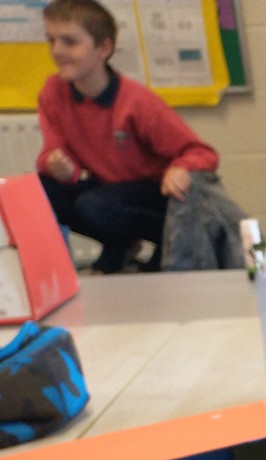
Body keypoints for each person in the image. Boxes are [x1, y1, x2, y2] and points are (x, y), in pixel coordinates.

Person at [33, 0, 221, 275]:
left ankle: (163, 244)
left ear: (103, 49)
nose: (57, 51)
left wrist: (180, 168)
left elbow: (202, 152)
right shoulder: (54, 92)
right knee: (40, 190)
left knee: (95, 205)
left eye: (70, 42)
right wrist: (57, 165)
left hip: (154, 193)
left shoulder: (136, 101)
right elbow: (55, 155)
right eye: (51, 40)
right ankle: (119, 244)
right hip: (109, 190)